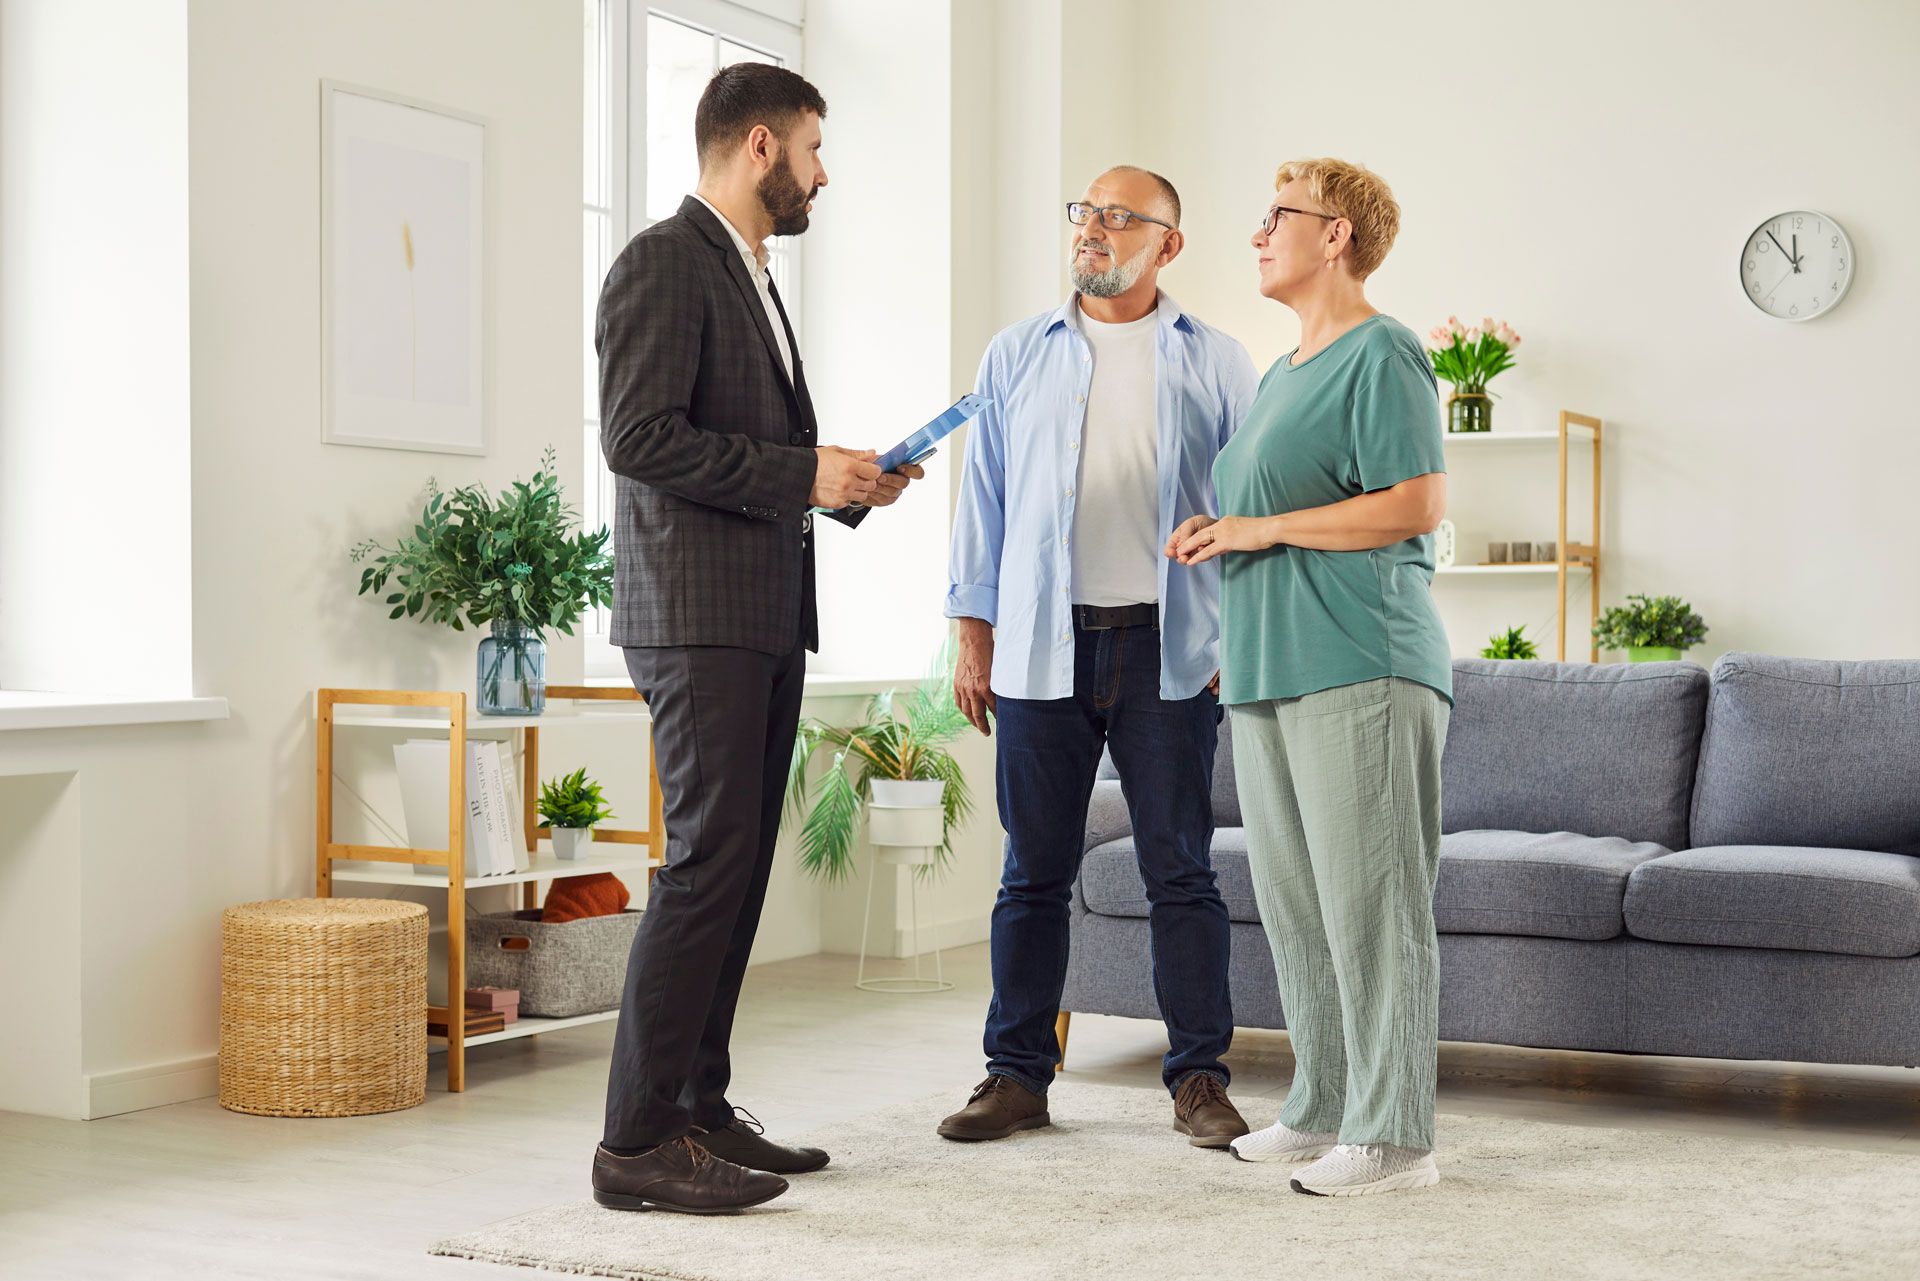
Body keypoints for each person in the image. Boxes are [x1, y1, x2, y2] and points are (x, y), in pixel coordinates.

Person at [591, 63, 924, 1215]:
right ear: (763, 148)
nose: (825, 173)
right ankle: (634, 1142)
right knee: (704, 867)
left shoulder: (752, 275)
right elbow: (637, 438)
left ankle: (695, 1102)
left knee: (734, 870)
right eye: (817, 150)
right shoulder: (661, 261)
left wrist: (840, 489)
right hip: (695, 622)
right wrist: (800, 472)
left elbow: (735, 446)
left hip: (762, 614)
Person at [939, 166, 1258, 1148]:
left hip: (1170, 645)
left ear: (1169, 243)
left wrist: (1233, 637)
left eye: (1122, 217)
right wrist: (971, 632)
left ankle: (1199, 1078)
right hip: (1042, 642)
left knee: (1181, 871)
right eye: (1086, 211)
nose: (1096, 229)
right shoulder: (1016, 355)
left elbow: (1249, 509)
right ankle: (1017, 1076)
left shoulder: (1219, 361)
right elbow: (981, 499)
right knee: (1032, 872)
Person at [1171, 157, 1451, 1197]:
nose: (1255, 235)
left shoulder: (1384, 350)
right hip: (1267, 669)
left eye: (1275, 217)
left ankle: (1394, 1137)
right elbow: (1274, 511)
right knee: (1299, 905)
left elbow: (1416, 502)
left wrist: (1261, 525)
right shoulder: (1284, 373)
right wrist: (1222, 534)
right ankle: (1326, 1103)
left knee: (1373, 903)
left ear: (1336, 236)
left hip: (1361, 662)